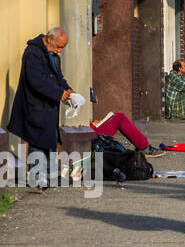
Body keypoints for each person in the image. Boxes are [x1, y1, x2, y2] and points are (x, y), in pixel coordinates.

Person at [9, 27, 77, 192]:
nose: (60, 51)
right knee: (37, 139)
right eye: (59, 46)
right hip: (35, 105)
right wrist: (59, 93)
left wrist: (69, 92)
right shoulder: (33, 52)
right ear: (50, 39)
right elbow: (36, 80)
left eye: (62, 48)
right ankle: (38, 176)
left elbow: (59, 78)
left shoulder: (53, 55)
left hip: (48, 106)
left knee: (51, 139)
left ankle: (48, 174)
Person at [90, 111, 166, 157]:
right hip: (90, 138)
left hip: (89, 133)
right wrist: (93, 126)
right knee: (120, 117)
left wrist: (94, 125)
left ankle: (144, 147)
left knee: (117, 117)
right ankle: (144, 147)